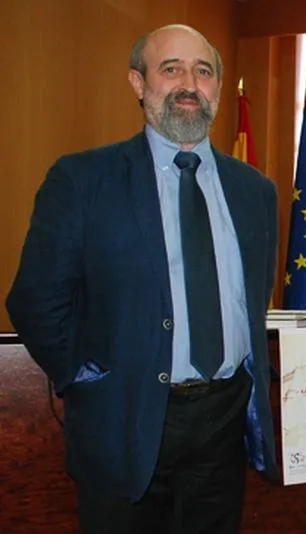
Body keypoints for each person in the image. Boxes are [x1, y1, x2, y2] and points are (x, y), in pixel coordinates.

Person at [6, 24, 279, 534]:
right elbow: (36, 301)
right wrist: (88, 378)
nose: (188, 84)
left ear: (218, 87)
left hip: (223, 427)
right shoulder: (84, 180)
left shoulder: (254, 191)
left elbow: (253, 295)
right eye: (170, 68)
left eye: (203, 71)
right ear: (138, 83)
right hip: (124, 425)